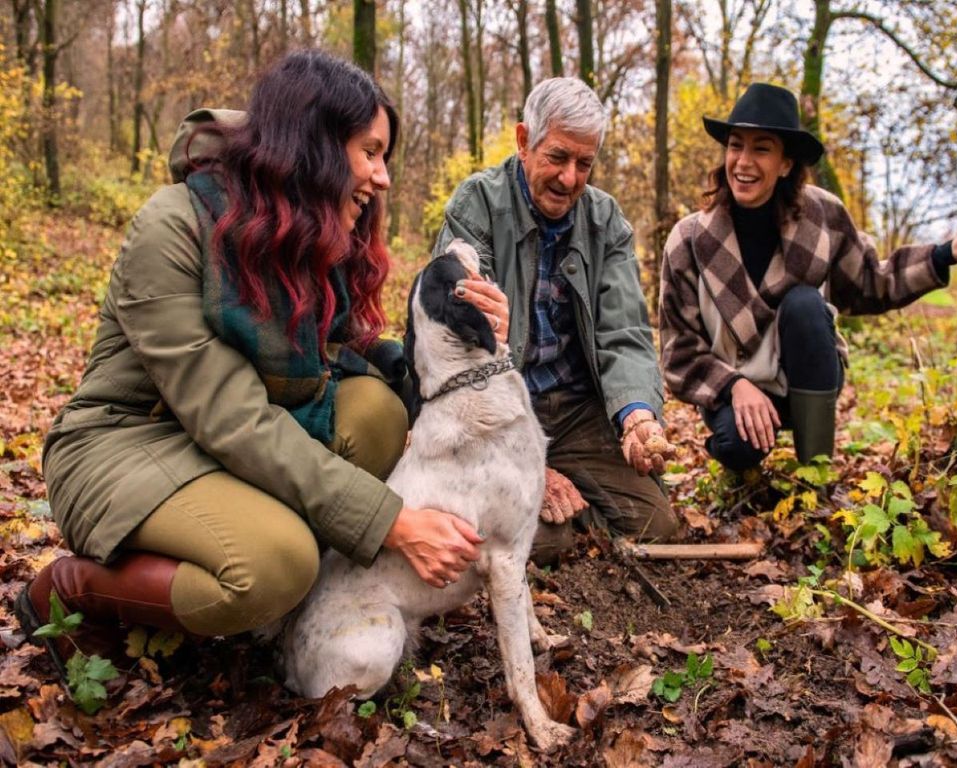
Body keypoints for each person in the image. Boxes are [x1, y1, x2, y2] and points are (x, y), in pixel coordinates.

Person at [17, 51, 506, 669]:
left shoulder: (304, 232)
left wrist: (463, 340)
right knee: (276, 564)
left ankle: (297, 605)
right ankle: (73, 588)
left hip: (221, 443)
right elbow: (232, 418)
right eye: (370, 152)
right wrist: (391, 524)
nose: (383, 178)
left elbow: (352, 354)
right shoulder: (171, 227)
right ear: (315, 150)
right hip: (125, 442)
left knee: (377, 410)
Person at [660, 82, 957, 472]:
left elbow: (872, 283)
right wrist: (733, 386)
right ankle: (739, 464)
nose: (743, 162)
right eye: (736, 145)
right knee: (735, 446)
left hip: (806, 375)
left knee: (804, 303)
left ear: (786, 164)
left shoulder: (822, 216)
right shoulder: (688, 239)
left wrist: (947, 253)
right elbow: (678, 352)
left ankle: (816, 471)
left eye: (761, 148)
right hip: (733, 389)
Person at [432, 77, 680, 565]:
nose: (570, 178)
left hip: (576, 409)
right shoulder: (476, 206)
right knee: (545, 543)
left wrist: (636, 416)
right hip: (503, 409)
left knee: (657, 524)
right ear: (524, 141)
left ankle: (561, 493)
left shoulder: (606, 221)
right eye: (558, 157)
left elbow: (625, 331)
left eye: (584, 164)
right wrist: (525, 456)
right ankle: (522, 489)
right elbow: (458, 346)